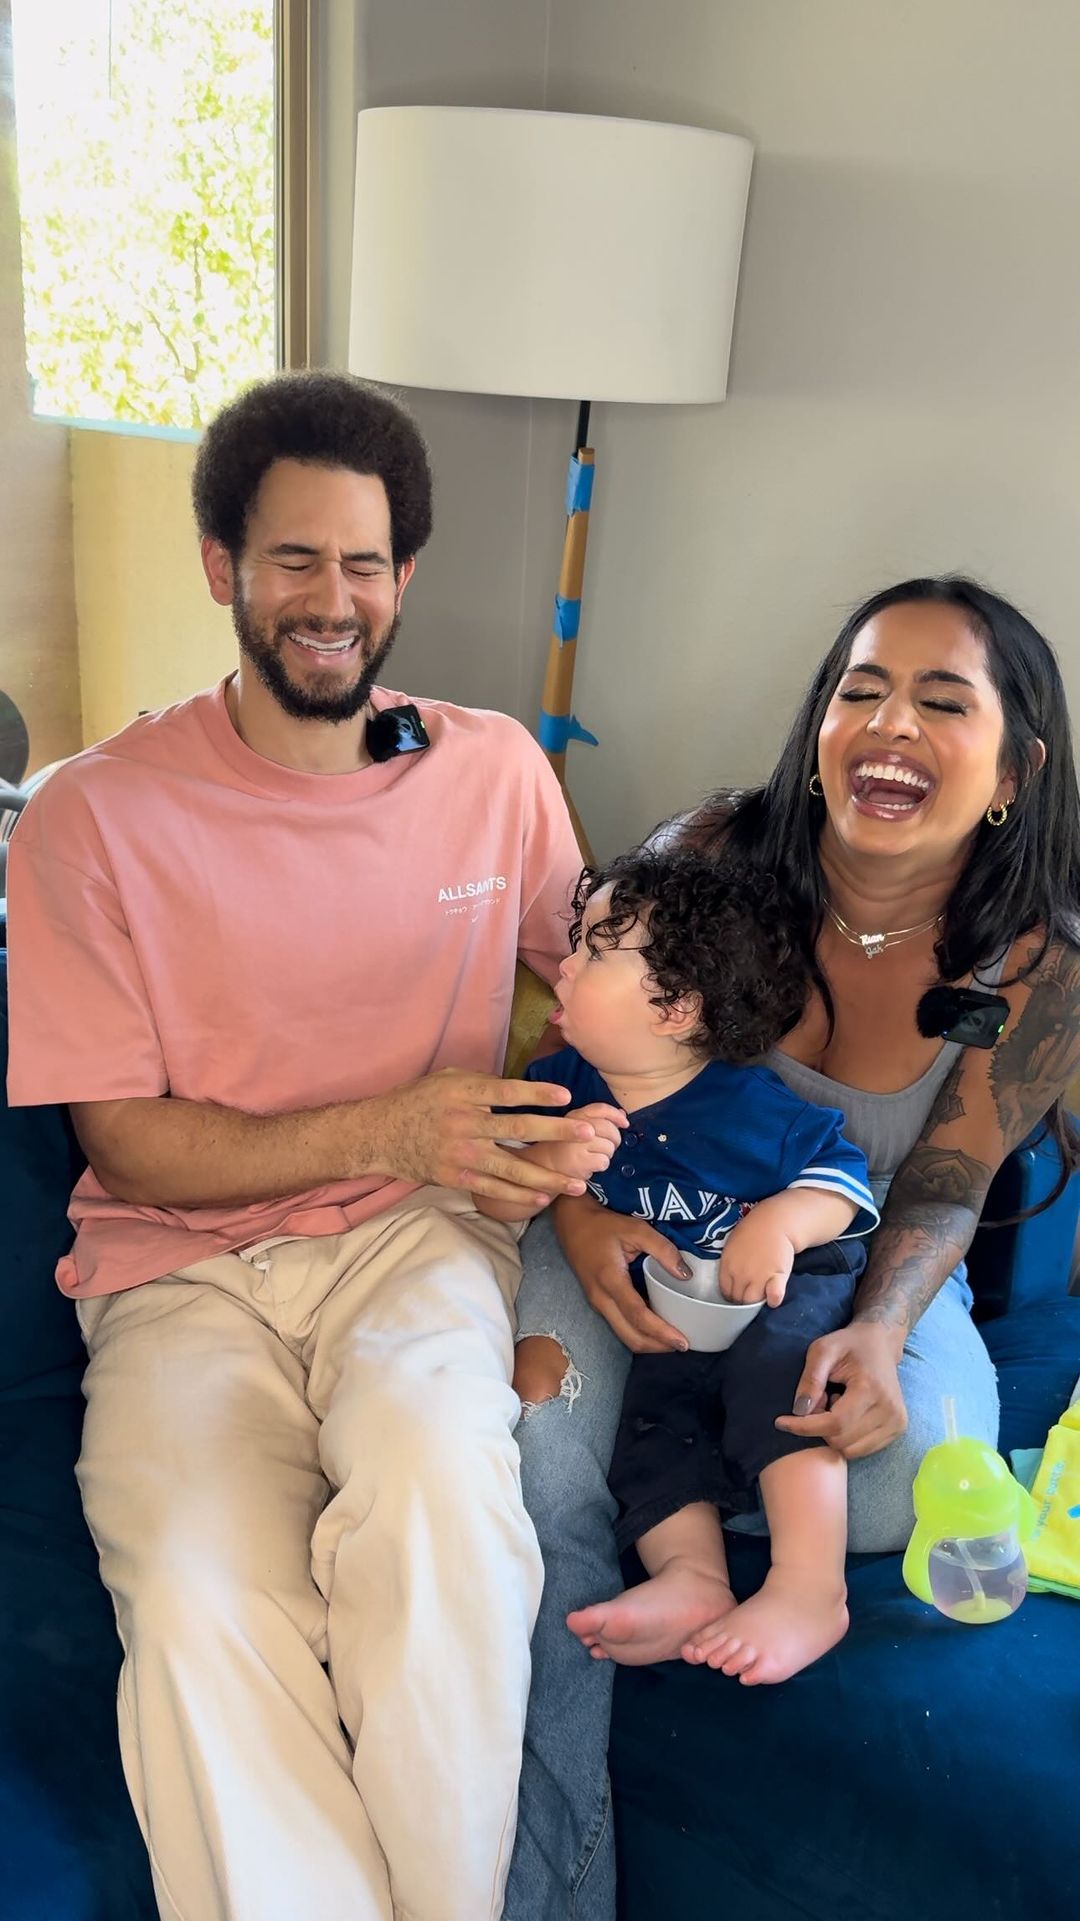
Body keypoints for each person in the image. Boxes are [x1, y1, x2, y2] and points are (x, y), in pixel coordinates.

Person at [6, 370, 595, 1921]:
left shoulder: (493, 773)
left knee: (444, 1506)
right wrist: (394, 1120)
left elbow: (605, 998)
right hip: (177, 1276)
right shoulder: (90, 815)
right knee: (199, 1599)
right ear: (223, 565)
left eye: (365, 563)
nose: (332, 600)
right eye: (293, 560)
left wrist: (624, 1143)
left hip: (418, 1238)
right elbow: (129, 1145)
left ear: (405, 576)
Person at [501, 577, 1080, 1921]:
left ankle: (721, 1481)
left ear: (1014, 769)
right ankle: (555, 1867)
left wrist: (876, 1330)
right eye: (859, 691)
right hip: (638, 1222)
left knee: (891, 1487)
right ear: (820, 726)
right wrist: (581, 1220)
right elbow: (576, 1057)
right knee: (536, 1445)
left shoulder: (1034, 965)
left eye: (942, 702)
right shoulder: (710, 852)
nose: (889, 726)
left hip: (851, 1265)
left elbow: (943, 1186)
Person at [477, 846, 878, 1685]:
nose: (565, 965)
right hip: (681, 1301)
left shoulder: (747, 1106)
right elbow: (494, 1198)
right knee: (651, 1414)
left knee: (780, 1381)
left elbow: (843, 1180)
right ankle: (693, 1579)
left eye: (594, 952)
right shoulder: (558, 1085)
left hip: (787, 1280)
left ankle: (810, 1588)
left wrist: (781, 1222)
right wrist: (548, 1168)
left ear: (675, 1007)